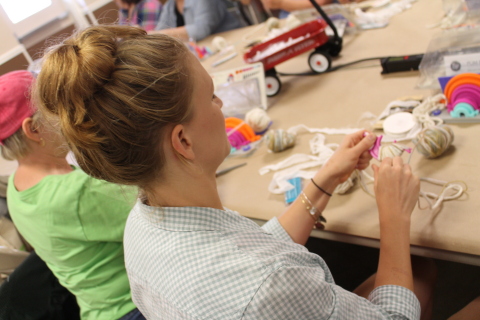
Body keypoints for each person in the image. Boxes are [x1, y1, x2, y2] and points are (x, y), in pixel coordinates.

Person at [34, 25, 436, 319]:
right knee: (426, 270)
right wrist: (394, 216)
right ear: (184, 142)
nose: (221, 102)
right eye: (210, 96)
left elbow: (255, 249)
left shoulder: (143, 225)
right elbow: (267, 278)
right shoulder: (269, 286)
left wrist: (324, 180)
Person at [0, 70, 144, 320]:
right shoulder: (75, 193)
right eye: (58, 109)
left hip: (98, 308)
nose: (70, 114)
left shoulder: (16, 187)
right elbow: (161, 201)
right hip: (135, 306)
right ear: (34, 129)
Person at [151, 0, 242, 41]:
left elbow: (201, 30)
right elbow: (159, 30)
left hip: (234, 43)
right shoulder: (169, 5)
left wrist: (155, 34)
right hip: (207, 53)